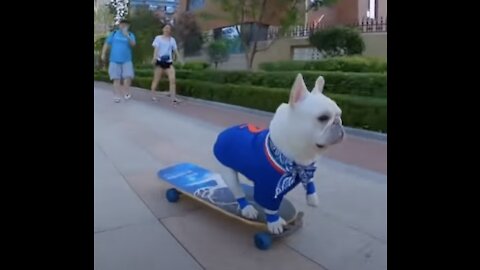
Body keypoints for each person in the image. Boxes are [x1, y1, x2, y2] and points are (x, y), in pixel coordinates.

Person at [101, 19, 136, 103]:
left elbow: (133, 44)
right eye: (122, 24)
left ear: (128, 26)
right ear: (119, 25)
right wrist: (103, 53)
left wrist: (127, 35)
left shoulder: (130, 34)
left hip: (126, 60)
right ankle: (117, 95)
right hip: (114, 59)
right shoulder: (114, 34)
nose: (123, 26)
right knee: (116, 78)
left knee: (128, 77)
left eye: (125, 25)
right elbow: (107, 43)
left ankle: (126, 91)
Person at [150, 24, 182, 103]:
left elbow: (175, 50)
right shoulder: (158, 38)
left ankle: (173, 97)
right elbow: (156, 48)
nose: (167, 30)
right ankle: (153, 95)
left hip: (168, 62)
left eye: (169, 29)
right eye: (166, 28)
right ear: (163, 29)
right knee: (156, 80)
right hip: (160, 62)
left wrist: (179, 58)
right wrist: (154, 58)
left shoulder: (172, 40)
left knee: (172, 79)